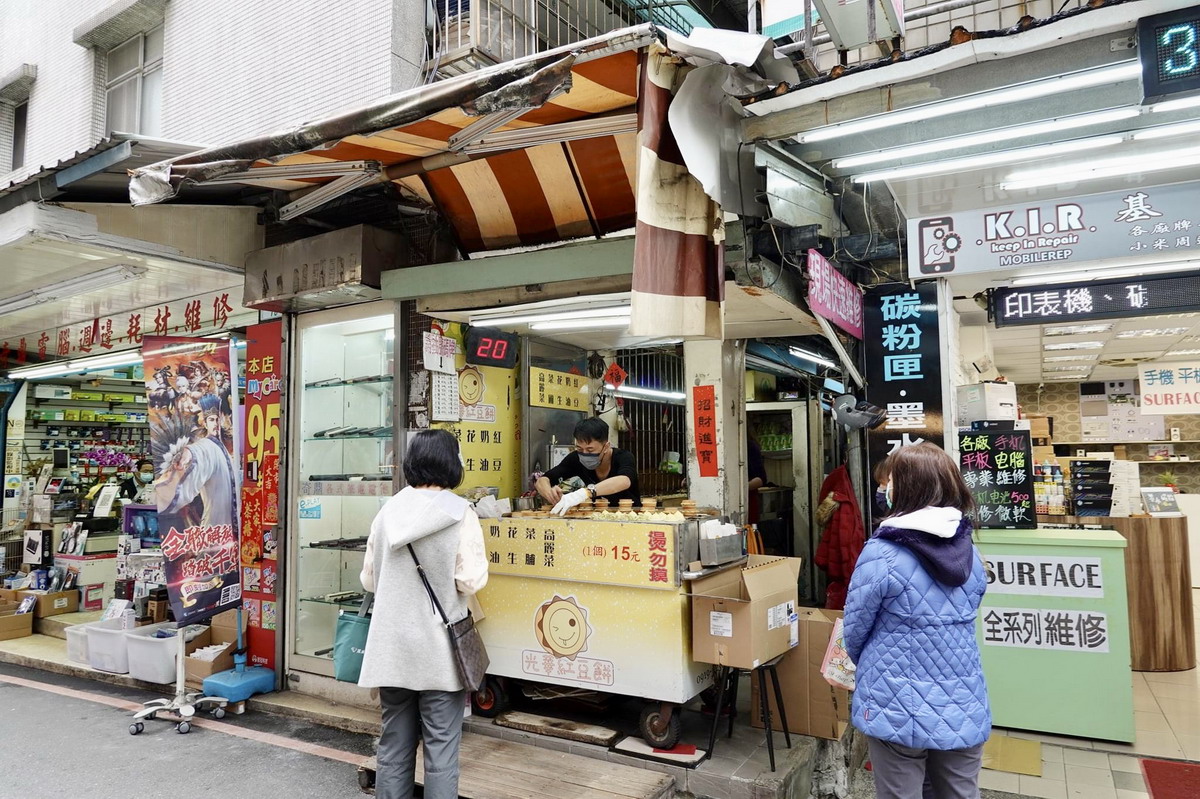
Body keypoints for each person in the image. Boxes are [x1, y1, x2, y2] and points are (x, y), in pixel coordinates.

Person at [843, 443, 990, 799]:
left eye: (890, 480)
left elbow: (855, 631)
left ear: (907, 487)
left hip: (896, 699)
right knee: (958, 792)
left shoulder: (882, 552)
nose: (885, 487)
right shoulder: (970, 547)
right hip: (962, 697)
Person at [358, 429, 489, 799]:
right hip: (438, 652)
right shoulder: (461, 513)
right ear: (452, 463)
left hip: (392, 649)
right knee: (441, 751)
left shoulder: (387, 512)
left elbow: (368, 580)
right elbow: (470, 580)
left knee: (394, 746)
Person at [535, 417, 640, 515]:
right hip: (598, 517)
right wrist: (551, 495)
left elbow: (624, 480)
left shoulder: (623, 457)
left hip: (630, 516)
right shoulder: (575, 459)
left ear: (606, 446)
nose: (584, 454)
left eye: (590, 450)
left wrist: (584, 493)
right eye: (580, 449)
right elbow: (543, 480)